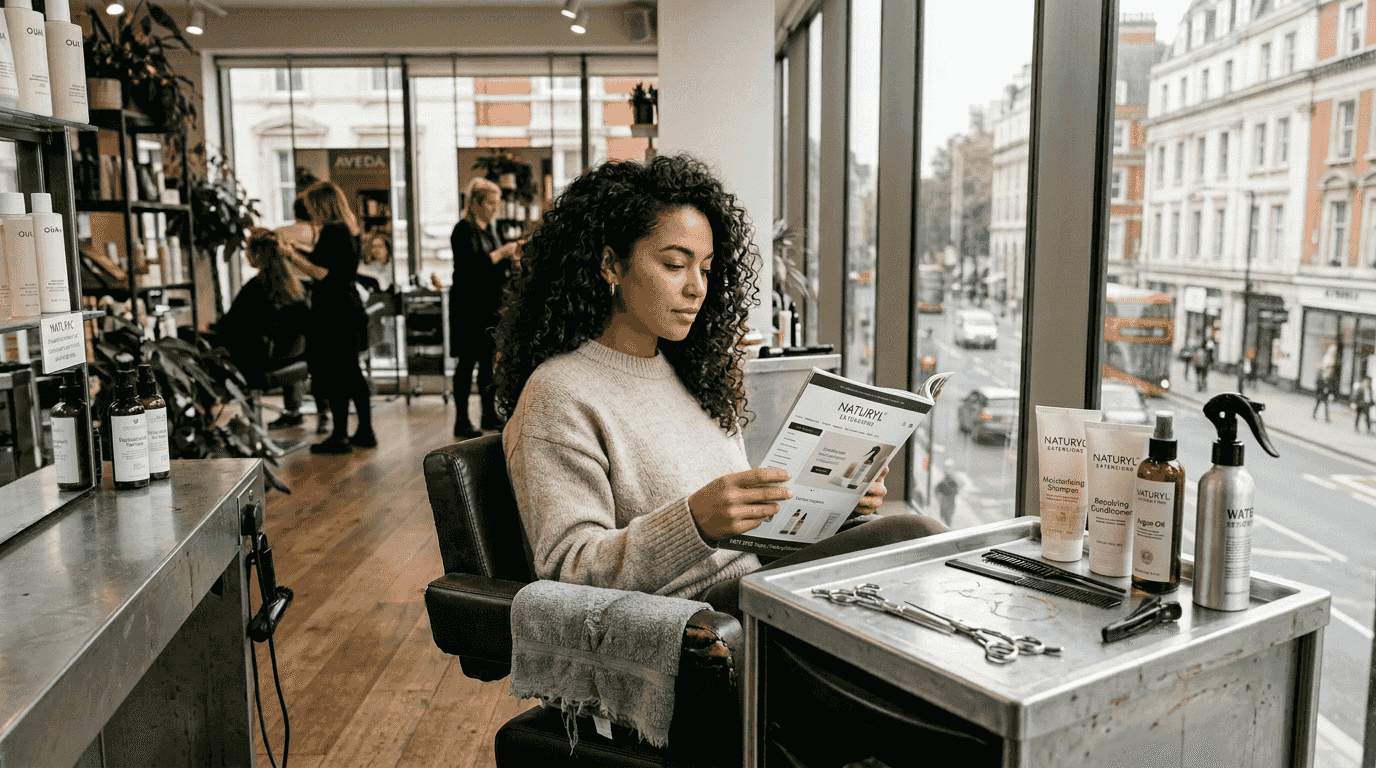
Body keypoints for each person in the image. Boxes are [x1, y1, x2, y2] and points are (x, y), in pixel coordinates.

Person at [492, 154, 946, 619]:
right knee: (914, 537)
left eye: (705, 269)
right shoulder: (559, 393)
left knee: (918, 546)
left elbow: (747, 539)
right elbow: (567, 571)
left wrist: (836, 505)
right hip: (693, 622)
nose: (697, 288)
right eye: (675, 264)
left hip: (755, 586)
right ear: (611, 264)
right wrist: (696, 522)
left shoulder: (694, 375)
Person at [281, 180, 375, 455]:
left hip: (334, 311)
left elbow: (322, 272)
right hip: (349, 306)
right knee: (352, 372)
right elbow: (328, 261)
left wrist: (290, 256)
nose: (311, 213)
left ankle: (340, 435)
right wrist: (299, 249)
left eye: (313, 207)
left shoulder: (333, 230)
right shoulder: (349, 229)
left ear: (323, 205)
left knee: (336, 374)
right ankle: (365, 431)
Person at [214, 228, 310, 428]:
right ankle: (293, 412)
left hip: (263, 364)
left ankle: (238, 422)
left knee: (215, 352)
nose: (246, 256)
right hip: (294, 359)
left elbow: (229, 326)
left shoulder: (256, 287)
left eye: (248, 251)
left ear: (257, 254)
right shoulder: (294, 286)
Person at [449, 176, 520, 439]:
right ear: (476, 203)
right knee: (466, 363)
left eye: (497, 203)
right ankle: (461, 419)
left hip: (489, 307)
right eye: (491, 203)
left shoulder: (491, 231)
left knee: (488, 364)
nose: (495, 209)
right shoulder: (463, 230)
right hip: (468, 308)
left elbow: (495, 269)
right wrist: (501, 253)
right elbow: (471, 267)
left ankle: (488, 413)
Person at [276, 195, 330, 436]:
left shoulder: (280, 233)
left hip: (289, 296)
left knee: (292, 354)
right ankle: (323, 414)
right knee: (317, 359)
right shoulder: (318, 233)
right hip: (315, 298)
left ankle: (293, 410)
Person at [935, 461, 960, 527]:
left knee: (946, 518)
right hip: (948, 503)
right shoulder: (951, 483)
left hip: (947, 503)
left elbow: (937, 491)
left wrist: (939, 497)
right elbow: (956, 492)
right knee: (947, 519)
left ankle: (946, 527)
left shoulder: (945, 483)